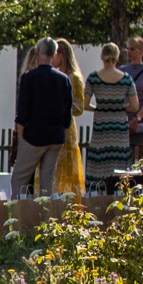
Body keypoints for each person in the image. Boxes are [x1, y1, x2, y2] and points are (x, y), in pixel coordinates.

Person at [12, 38, 75, 197]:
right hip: (56, 137)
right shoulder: (64, 79)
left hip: (34, 136)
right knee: (47, 183)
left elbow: (22, 111)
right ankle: (47, 218)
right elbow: (67, 114)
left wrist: (21, 138)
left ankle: (20, 216)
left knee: (19, 179)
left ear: (37, 52)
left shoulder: (29, 77)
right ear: (54, 55)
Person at [85, 43, 139, 191]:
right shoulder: (126, 79)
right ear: (117, 58)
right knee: (119, 164)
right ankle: (119, 192)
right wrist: (120, 106)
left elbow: (84, 104)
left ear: (102, 57)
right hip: (119, 127)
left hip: (101, 125)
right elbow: (135, 106)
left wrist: (99, 108)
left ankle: (97, 193)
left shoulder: (93, 78)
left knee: (99, 162)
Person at [52, 38, 89, 197]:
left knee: (67, 170)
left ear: (63, 55)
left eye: (55, 54)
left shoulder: (74, 78)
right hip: (53, 126)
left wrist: (59, 106)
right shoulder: (54, 75)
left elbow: (79, 108)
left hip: (66, 129)